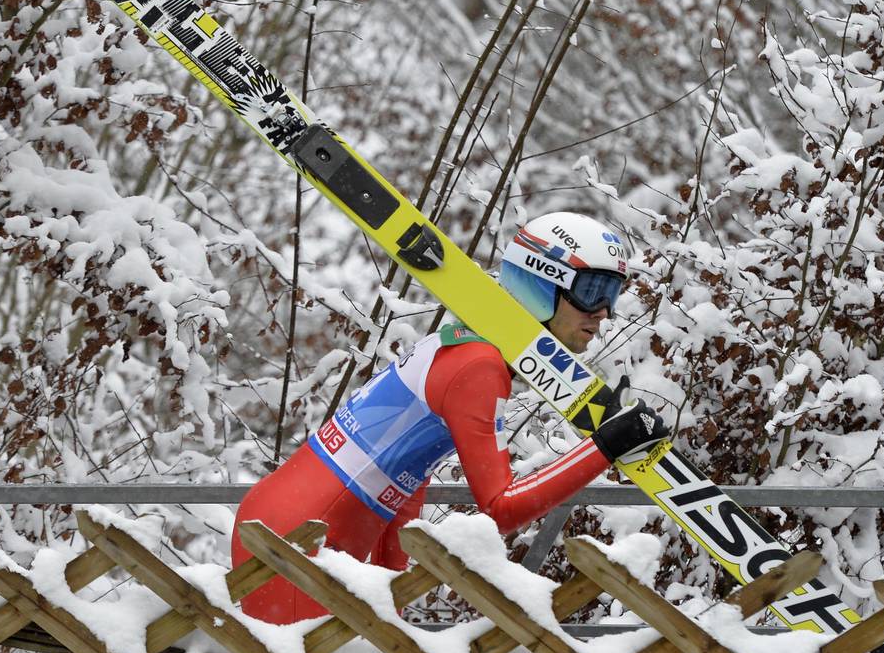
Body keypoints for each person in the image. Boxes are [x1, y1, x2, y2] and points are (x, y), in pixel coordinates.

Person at [229, 211, 669, 623]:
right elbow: (501, 509)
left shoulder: (462, 346)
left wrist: (392, 590)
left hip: (297, 526)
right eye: (591, 291)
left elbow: (407, 474)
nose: (603, 312)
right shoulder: (478, 368)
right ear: (540, 283)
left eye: (612, 294)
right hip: (298, 540)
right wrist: (608, 444)